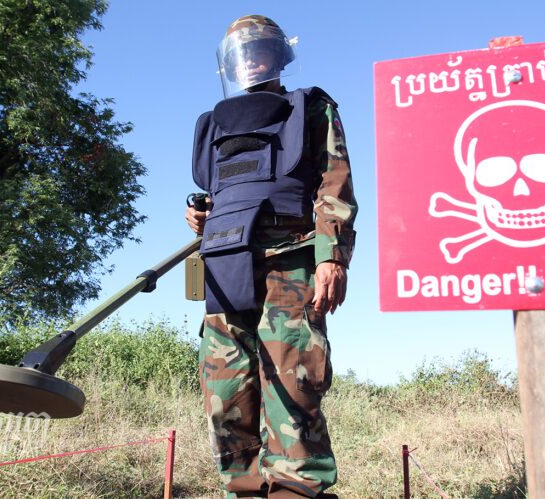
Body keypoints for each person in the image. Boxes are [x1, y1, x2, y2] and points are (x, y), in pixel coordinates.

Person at [185, 14, 357, 499]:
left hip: (293, 263)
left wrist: (333, 255)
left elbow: (334, 182)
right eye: (245, 52)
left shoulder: (311, 108)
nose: (253, 59)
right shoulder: (213, 126)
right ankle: (243, 489)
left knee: (293, 384)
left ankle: (296, 491)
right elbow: (220, 194)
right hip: (223, 267)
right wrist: (200, 219)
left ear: (280, 56)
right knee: (225, 394)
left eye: (262, 50)